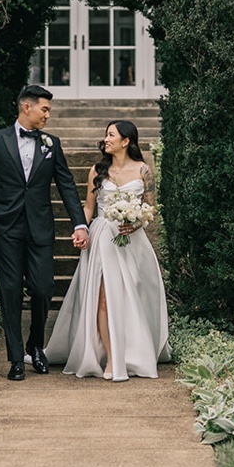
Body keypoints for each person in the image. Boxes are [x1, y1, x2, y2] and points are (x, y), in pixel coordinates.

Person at [0, 85, 89, 382]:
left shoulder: (52, 144)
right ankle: (15, 359)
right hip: (6, 227)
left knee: (42, 288)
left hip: (39, 227)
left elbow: (66, 186)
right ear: (27, 107)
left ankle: (35, 345)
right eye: (45, 109)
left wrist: (79, 223)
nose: (48, 115)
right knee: (10, 291)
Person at [45, 119, 171, 380]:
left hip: (131, 242)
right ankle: (112, 360)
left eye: (111, 135)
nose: (106, 139)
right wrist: (81, 228)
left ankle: (132, 352)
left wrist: (135, 224)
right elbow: (89, 206)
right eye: (106, 135)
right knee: (102, 297)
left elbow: (151, 209)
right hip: (102, 237)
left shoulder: (144, 170)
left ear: (126, 141)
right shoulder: (96, 170)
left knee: (128, 298)